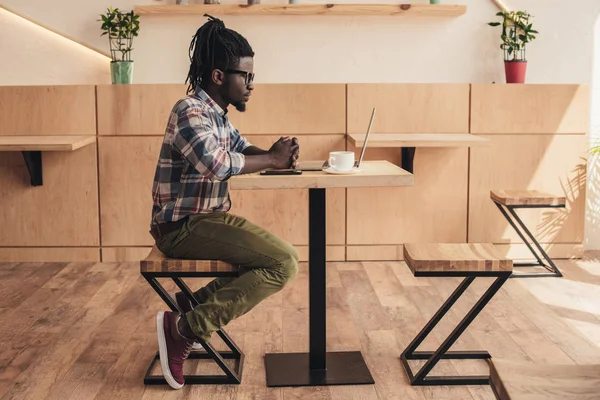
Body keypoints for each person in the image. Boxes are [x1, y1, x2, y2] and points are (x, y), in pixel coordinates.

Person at [149, 14, 300, 390]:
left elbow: (240, 148)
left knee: (279, 259)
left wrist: (276, 156)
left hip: (208, 221)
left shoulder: (217, 116)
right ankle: (185, 330)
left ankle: (188, 308)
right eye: (245, 76)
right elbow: (216, 165)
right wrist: (271, 161)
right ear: (219, 77)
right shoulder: (189, 111)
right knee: (282, 263)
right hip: (181, 228)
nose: (252, 84)